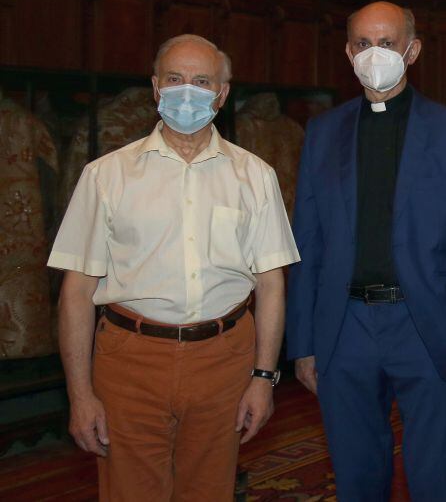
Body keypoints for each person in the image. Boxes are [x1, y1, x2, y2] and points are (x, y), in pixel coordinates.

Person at [49, 34, 299, 501]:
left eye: (202, 81)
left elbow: (271, 286)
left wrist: (264, 380)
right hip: (130, 361)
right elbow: (76, 292)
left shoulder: (254, 176)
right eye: (175, 79)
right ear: (155, 87)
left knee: (209, 492)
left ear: (222, 95)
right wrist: (80, 395)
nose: (188, 91)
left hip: (224, 360)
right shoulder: (106, 176)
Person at [286, 1, 446, 501]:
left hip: (425, 324)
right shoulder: (322, 133)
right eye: (362, 43)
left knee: (435, 476)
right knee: (355, 475)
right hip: (345, 325)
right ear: (347, 51)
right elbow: (307, 243)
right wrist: (304, 340)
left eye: (386, 43)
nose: (373, 53)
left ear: (412, 50)